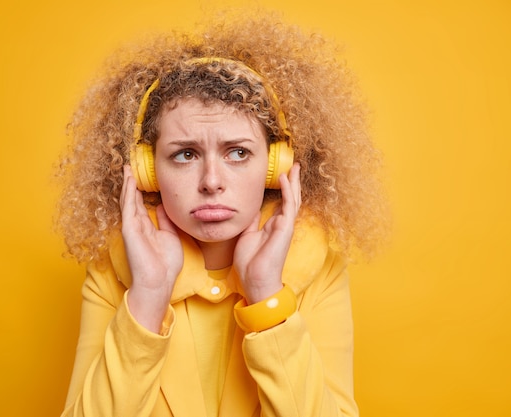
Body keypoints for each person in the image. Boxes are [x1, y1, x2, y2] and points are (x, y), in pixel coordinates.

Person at [56, 10, 387, 417]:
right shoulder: (113, 274)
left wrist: (267, 295)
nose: (211, 181)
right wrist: (148, 296)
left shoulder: (319, 271)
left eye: (238, 152)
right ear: (148, 171)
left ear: (276, 164)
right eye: (185, 154)